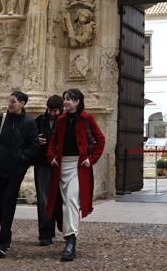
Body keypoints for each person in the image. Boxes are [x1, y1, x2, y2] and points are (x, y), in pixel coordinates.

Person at [46, 88, 105, 261]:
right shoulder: (61, 120)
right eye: (65, 99)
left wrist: (92, 159)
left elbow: (100, 139)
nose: (65, 102)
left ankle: (70, 241)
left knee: (71, 199)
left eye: (69, 99)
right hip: (61, 165)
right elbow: (53, 141)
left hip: (78, 166)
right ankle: (68, 236)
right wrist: (51, 157)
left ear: (77, 101)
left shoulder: (88, 119)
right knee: (64, 203)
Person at [0, 90, 39, 257]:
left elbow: (34, 145)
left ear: (22, 103)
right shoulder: (1, 119)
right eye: (9, 101)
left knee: (9, 201)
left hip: (16, 169)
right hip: (0, 167)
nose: (10, 104)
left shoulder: (29, 122)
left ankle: (2, 242)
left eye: (13, 101)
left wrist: (22, 159)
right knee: (2, 202)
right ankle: (6, 235)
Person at [33, 95, 64, 246]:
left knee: (61, 197)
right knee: (44, 200)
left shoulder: (65, 121)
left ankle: (62, 224)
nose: (52, 113)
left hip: (61, 164)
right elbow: (30, 138)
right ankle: (45, 233)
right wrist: (37, 141)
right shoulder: (39, 121)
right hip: (43, 164)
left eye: (55, 111)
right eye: (50, 110)